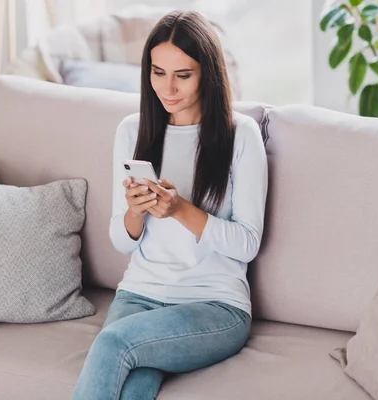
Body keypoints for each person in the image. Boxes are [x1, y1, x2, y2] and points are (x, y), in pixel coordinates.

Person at [72, 10, 268, 400]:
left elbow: (248, 243)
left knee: (113, 345)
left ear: (207, 74)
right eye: (158, 72)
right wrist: (134, 211)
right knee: (135, 385)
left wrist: (180, 210)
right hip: (138, 296)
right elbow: (122, 241)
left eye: (183, 75)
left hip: (214, 305)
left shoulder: (239, 134)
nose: (168, 88)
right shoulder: (132, 130)